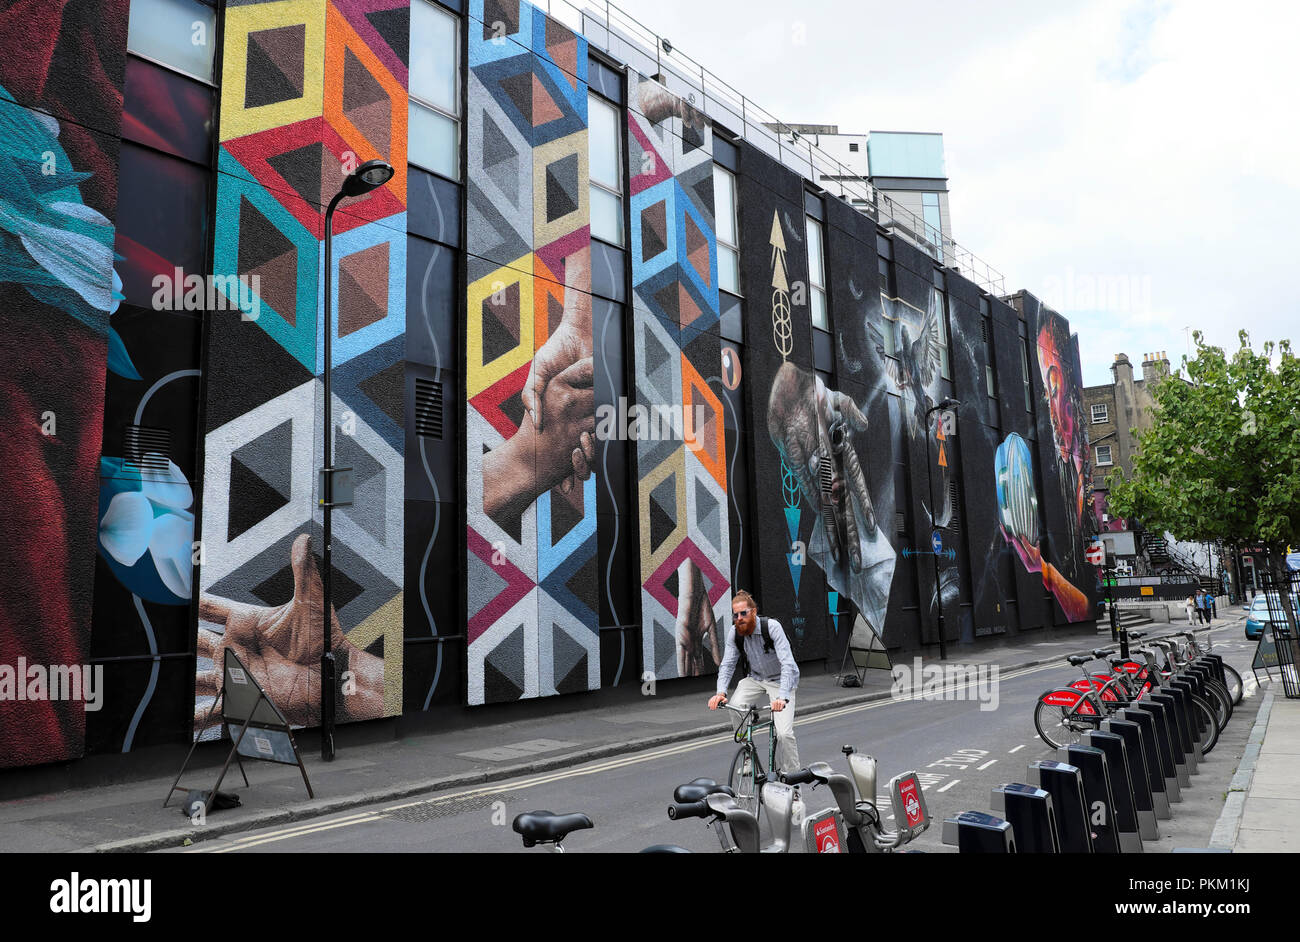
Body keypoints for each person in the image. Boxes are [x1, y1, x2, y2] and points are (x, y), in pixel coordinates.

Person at [708, 591, 801, 774]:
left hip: (781, 680)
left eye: (744, 613)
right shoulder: (735, 633)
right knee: (735, 706)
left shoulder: (772, 627)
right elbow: (727, 664)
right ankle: (748, 754)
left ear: (754, 612)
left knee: (784, 734)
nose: (739, 618)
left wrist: (782, 697)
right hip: (756, 678)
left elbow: (788, 664)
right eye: (736, 615)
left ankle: (794, 778)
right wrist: (720, 693)